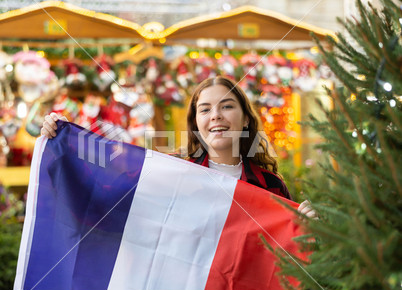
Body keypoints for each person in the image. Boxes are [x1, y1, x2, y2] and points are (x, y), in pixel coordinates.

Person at [41, 76, 316, 218]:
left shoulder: (270, 186)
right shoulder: (171, 173)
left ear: (245, 119)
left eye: (227, 106)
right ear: (196, 123)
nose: (216, 116)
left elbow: (284, 262)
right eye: (205, 110)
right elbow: (107, 200)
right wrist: (64, 146)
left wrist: (302, 228)